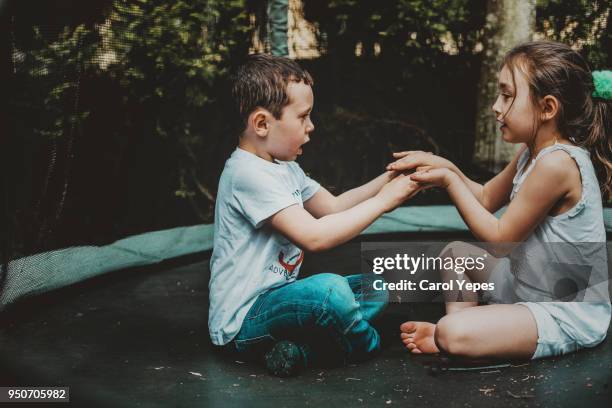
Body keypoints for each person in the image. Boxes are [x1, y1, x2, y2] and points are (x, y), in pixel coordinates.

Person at [387, 41, 612, 360]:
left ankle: (455, 332)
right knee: (455, 254)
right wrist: (445, 166)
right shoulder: (531, 153)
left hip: (564, 311)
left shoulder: (558, 164)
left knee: (451, 331)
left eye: (507, 95)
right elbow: (486, 197)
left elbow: (500, 239)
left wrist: (450, 181)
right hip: (528, 284)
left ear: (547, 108)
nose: (496, 106)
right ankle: (471, 327)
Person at [209, 53, 420, 376]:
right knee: (329, 292)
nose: (311, 127)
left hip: (283, 303)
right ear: (262, 123)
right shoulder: (245, 174)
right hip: (244, 321)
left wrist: (393, 178)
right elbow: (315, 236)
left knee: (382, 282)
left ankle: (305, 353)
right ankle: (365, 344)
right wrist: (384, 202)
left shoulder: (285, 169)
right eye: (303, 116)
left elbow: (334, 206)